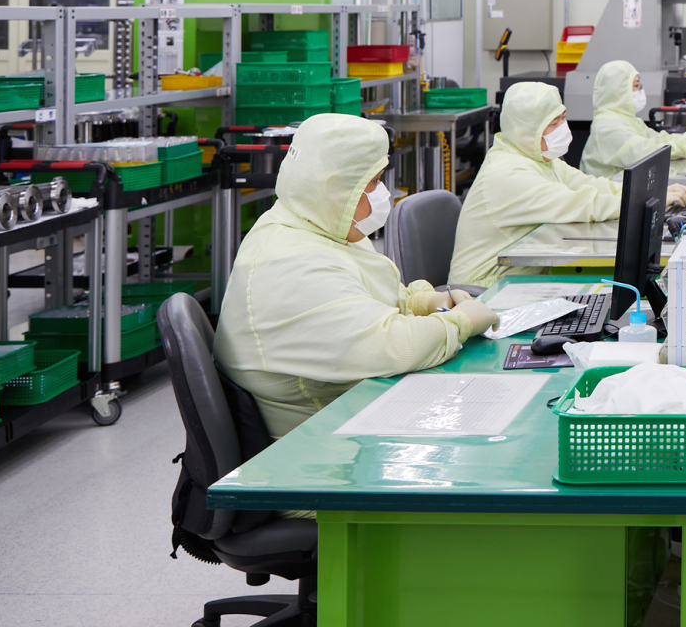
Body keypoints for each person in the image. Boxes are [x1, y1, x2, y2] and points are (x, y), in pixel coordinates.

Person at [213, 113, 499, 440]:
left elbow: (367, 297)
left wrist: (427, 303)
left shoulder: (311, 221)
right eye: (375, 181)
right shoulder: (290, 262)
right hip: (321, 454)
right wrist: (459, 322)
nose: (384, 194)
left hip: (350, 414)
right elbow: (392, 346)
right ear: (336, 187)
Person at [448, 82, 630, 290]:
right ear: (526, 130)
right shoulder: (507, 173)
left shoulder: (536, 158)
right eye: (553, 123)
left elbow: (588, 184)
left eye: (563, 118)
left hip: (521, 276)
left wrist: (638, 191)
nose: (563, 127)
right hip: (484, 291)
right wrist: (636, 202)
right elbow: (579, 204)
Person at [578, 59, 686, 180]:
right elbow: (646, 152)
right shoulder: (607, 126)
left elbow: (657, 139)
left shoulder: (627, 119)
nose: (640, 90)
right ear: (618, 91)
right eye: (636, 85)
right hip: (608, 195)